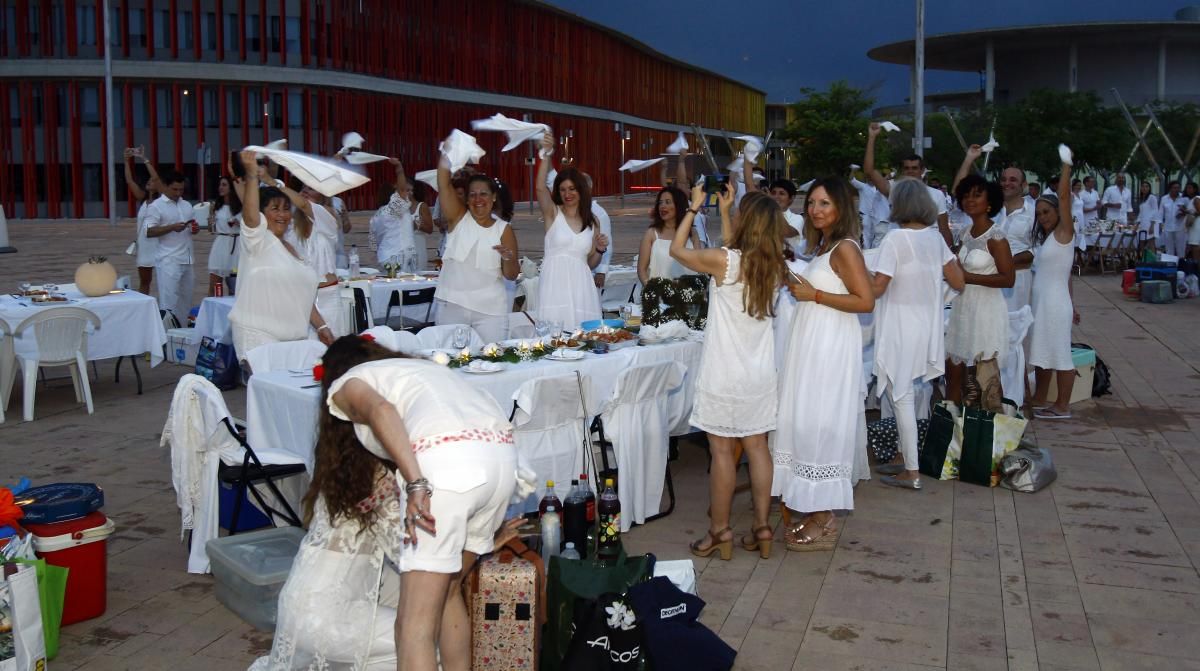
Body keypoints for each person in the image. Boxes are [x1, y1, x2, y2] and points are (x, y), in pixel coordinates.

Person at [258, 335, 517, 671]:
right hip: (500, 453)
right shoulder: (417, 376)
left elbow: (380, 409)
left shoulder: (350, 396)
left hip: (449, 466)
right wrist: (484, 541)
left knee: (416, 630)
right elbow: (440, 571)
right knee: (443, 606)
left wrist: (416, 483)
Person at [670, 184, 783, 561]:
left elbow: (676, 250)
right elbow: (735, 249)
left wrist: (693, 208)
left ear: (746, 221)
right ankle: (763, 527)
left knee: (722, 451)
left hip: (725, 370)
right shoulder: (774, 264)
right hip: (760, 371)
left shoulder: (723, 261)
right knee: (757, 447)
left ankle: (719, 531)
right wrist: (723, 211)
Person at [773, 177, 874, 551]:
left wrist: (812, 293)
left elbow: (865, 301)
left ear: (841, 209)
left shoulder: (845, 248)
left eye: (825, 203)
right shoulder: (824, 246)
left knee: (821, 422)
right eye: (812, 202)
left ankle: (826, 518)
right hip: (812, 340)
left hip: (830, 346)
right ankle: (814, 508)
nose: (816, 210)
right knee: (807, 421)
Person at [870, 179, 965, 490]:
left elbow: (878, 288)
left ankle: (911, 470)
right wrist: (936, 296)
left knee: (901, 396)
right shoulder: (936, 239)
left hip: (900, 326)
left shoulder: (894, 240)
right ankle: (904, 457)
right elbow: (959, 281)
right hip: (925, 326)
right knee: (905, 394)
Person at [227, 151, 331, 361]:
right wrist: (251, 175)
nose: (282, 215)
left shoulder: (293, 249)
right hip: (259, 337)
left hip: (294, 340)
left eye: (285, 209)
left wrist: (322, 326)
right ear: (263, 215)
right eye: (275, 209)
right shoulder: (258, 241)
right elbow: (250, 215)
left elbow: (299, 294)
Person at [946, 146, 1015, 404]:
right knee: (955, 371)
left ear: (990, 204)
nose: (970, 200)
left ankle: (986, 433)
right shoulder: (964, 233)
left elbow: (1008, 279)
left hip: (986, 310)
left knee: (983, 380)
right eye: (967, 196)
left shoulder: (996, 237)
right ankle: (954, 427)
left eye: (977, 196)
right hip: (963, 308)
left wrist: (967, 277)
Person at [433, 155, 519, 343]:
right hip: (452, 304)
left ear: (494, 197)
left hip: (490, 310)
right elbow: (443, 183)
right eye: (473, 194)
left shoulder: (504, 229)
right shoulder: (457, 218)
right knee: (447, 358)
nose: (478, 199)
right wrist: (447, 154)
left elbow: (512, 275)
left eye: (483, 194)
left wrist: (508, 258)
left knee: (492, 358)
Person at [533, 133, 606, 329]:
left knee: (583, 336)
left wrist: (599, 250)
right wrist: (546, 155)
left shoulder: (593, 221)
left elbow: (590, 263)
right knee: (553, 336)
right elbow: (540, 188)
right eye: (563, 189)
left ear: (581, 190)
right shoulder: (552, 213)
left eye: (572, 189)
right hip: (554, 285)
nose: (568, 194)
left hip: (582, 286)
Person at [1028, 159, 1080, 420]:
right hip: (1045, 301)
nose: (1042, 217)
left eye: (1046, 212)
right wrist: (1075, 304)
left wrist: (1065, 166)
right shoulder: (1048, 239)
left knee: (1060, 353)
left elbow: (1063, 195)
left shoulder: (1065, 232)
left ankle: (1062, 406)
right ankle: (1040, 397)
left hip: (1055, 303)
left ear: (1059, 212)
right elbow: (1066, 274)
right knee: (1042, 349)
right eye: (1038, 214)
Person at [863, 122, 951, 247]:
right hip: (900, 248)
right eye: (907, 168)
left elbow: (944, 229)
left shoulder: (937, 195)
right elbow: (869, 171)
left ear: (922, 170)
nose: (910, 171)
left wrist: (950, 252)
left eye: (914, 168)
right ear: (902, 170)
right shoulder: (895, 189)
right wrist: (872, 137)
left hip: (928, 248)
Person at [282, 180, 350, 339]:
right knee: (307, 350)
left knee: (333, 346)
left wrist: (275, 183)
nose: (305, 190)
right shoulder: (291, 223)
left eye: (311, 188)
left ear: (322, 195)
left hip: (327, 295)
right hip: (303, 296)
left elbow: (305, 206)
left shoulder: (328, 215)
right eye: (303, 187)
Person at [143, 169, 196, 325]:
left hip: (187, 258)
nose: (178, 193)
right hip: (168, 259)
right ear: (165, 186)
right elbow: (148, 231)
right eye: (174, 189)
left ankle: (182, 335)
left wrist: (194, 228)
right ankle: (166, 338)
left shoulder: (186, 205)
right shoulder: (156, 206)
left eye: (181, 189)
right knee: (169, 303)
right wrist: (171, 227)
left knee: (185, 301)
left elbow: (192, 225)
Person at [370, 159, 433, 270]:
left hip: (384, 258)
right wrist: (399, 168)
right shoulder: (394, 208)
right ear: (393, 197)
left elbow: (373, 245)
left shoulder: (375, 217)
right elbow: (403, 191)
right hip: (400, 257)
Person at [638, 186, 700, 283]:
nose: (662, 206)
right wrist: (651, 291)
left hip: (689, 293)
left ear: (678, 205)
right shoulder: (651, 233)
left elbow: (699, 264)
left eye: (667, 202)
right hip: (659, 294)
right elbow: (641, 270)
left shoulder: (692, 233)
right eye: (660, 203)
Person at [994, 165, 1035, 312]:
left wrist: (1010, 262)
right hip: (989, 279)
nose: (1007, 183)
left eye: (1013, 180)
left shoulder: (1033, 213)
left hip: (1018, 280)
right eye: (1003, 179)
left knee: (1014, 328)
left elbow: (1037, 249)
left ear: (1023, 185)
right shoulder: (991, 210)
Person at [123, 146, 161, 295]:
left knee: (164, 281)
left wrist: (144, 158)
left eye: (152, 181)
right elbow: (129, 181)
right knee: (144, 282)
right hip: (144, 246)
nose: (150, 181)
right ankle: (145, 309)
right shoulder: (143, 199)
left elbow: (157, 177)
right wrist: (126, 161)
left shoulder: (162, 201)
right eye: (149, 180)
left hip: (159, 245)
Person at [206, 175, 243, 296]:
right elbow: (211, 230)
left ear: (231, 188)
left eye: (224, 185)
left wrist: (240, 223)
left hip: (236, 247)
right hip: (221, 245)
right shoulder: (216, 206)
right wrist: (210, 221)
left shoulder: (241, 207)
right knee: (215, 285)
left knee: (235, 285)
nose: (220, 187)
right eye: (220, 185)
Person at [1161, 181, 1188, 257]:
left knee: (1181, 249)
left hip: (1180, 228)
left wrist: (1183, 213)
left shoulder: (1184, 198)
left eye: (1178, 188)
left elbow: (1189, 211)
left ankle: (1181, 266)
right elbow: (1160, 213)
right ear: (1170, 189)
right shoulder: (1164, 198)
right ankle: (1171, 266)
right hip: (1168, 228)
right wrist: (1159, 224)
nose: (1177, 189)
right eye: (1174, 188)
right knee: (1169, 249)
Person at [1135, 181, 1162, 255]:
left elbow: (1155, 211)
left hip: (1151, 224)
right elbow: (1140, 213)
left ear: (1149, 188)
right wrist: (1136, 225)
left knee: (1151, 243)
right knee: (1141, 243)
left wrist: (1152, 225)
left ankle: (1152, 262)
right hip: (1143, 224)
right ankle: (1144, 259)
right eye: (1143, 186)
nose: (1144, 188)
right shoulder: (1142, 199)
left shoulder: (1152, 197)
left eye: (1147, 186)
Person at [1070, 179, 1087, 253]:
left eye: (1080, 185)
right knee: (1075, 234)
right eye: (1077, 185)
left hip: (1081, 217)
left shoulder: (1080, 195)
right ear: (1073, 186)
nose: (1079, 187)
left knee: (1081, 233)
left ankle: (1080, 251)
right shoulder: (1071, 195)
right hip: (1074, 217)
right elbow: (1069, 208)